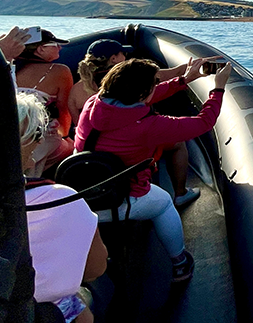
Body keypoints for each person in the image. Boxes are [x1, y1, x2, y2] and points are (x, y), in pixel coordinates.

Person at [75, 57, 231, 283]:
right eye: (153, 83)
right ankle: (180, 264)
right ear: (141, 94)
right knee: (164, 204)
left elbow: (141, 98)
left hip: (83, 192)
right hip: (119, 199)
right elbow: (203, 123)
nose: (155, 87)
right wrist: (218, 88)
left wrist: (185, 80)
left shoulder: (94, 103)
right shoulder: (150, 126)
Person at [68, 39, 203, 207]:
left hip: (88, 163)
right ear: (114, 59)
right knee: (178, 144)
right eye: (123, 53)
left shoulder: (78, 91)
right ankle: (180, 193)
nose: (126, 55)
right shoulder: (129, 79)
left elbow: (75, 124)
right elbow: (174, 75)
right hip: (125, 163)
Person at [20, 93, 108, 323]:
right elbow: (95, 269)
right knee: (80, 306)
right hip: (39, 310)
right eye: (37, 133)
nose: (41, 140)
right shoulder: (63, 199)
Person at [15, 29, 73, 138]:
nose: (60, 47)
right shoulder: (60, 71)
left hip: (12, 134)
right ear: (41, 49)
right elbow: (63, 110)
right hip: (40, 137)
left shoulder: (9, 68)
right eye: (55, 44)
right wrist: (65, 137)